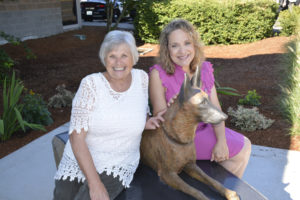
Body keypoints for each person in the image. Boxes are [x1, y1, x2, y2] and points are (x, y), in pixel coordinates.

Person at [53, 30, 164, 200]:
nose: (118, 62)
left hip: (117, 161)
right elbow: (76, 137)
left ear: (133, 58)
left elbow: (139, 110)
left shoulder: (141, 78)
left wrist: (146, 121)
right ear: (104, 59)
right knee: (62, 197)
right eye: (112, 56)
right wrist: (95, 183)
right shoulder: (90, 84)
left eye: (124, 55)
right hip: (81, 156)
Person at [149, 19, 251, 178]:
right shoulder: (159, 74)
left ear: (194, 45)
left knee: (242, 144)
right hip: (180, 138)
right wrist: (172, 108)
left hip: (204, 129)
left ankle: (216, 190)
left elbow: (215, 109)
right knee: (243, 149)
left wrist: (221, 141)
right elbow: (159, 119)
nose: (182, 51)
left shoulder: (204, 69)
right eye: (174, 45)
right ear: (166, 49)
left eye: (187, 43)